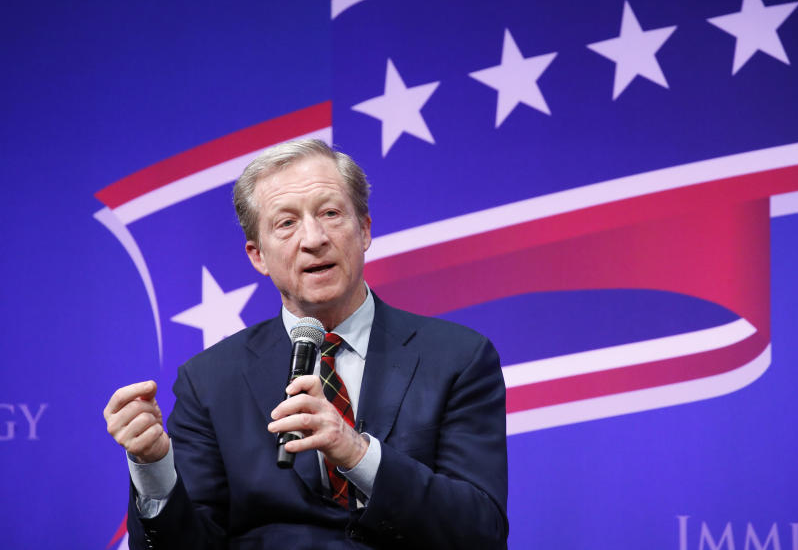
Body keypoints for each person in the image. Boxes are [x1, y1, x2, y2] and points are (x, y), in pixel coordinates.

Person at [103, 140, 508, 549]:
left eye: (330, 213)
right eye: (286, 223)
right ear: (257, 255)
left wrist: (355, 452)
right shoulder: (208, 382)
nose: (314, 238)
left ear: (365, 230)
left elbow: (481, 532)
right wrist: (153, 468)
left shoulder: (458, 358)